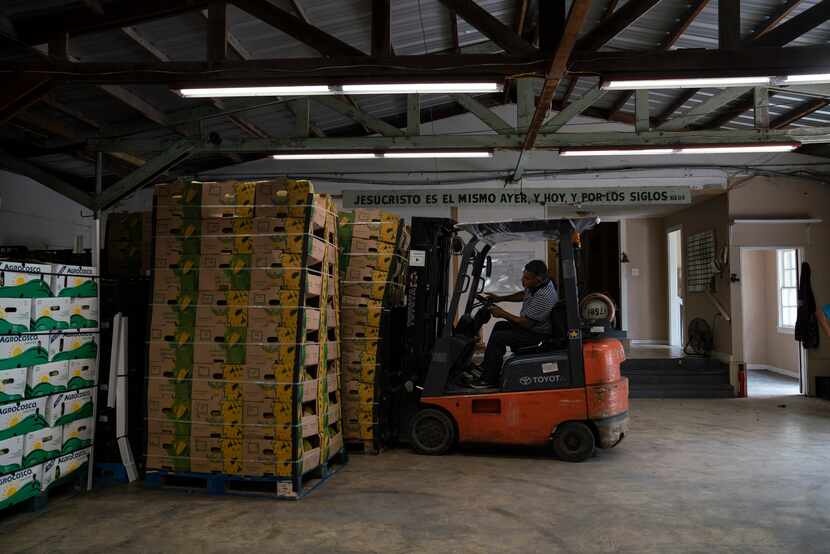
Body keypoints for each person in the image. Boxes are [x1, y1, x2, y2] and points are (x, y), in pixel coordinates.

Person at [464, 259, 558, 388]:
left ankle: (488, 380)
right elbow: (523, 295)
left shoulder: (544, 296)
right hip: (532, 328)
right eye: (523, 276)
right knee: (500, 326)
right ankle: (488, 366)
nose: (522, 280)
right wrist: (500, 298)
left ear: (539, 279)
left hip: (537, 335)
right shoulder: (536, 285)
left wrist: (503, 313)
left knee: (499, 338)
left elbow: (526, 324)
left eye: (527, 278)